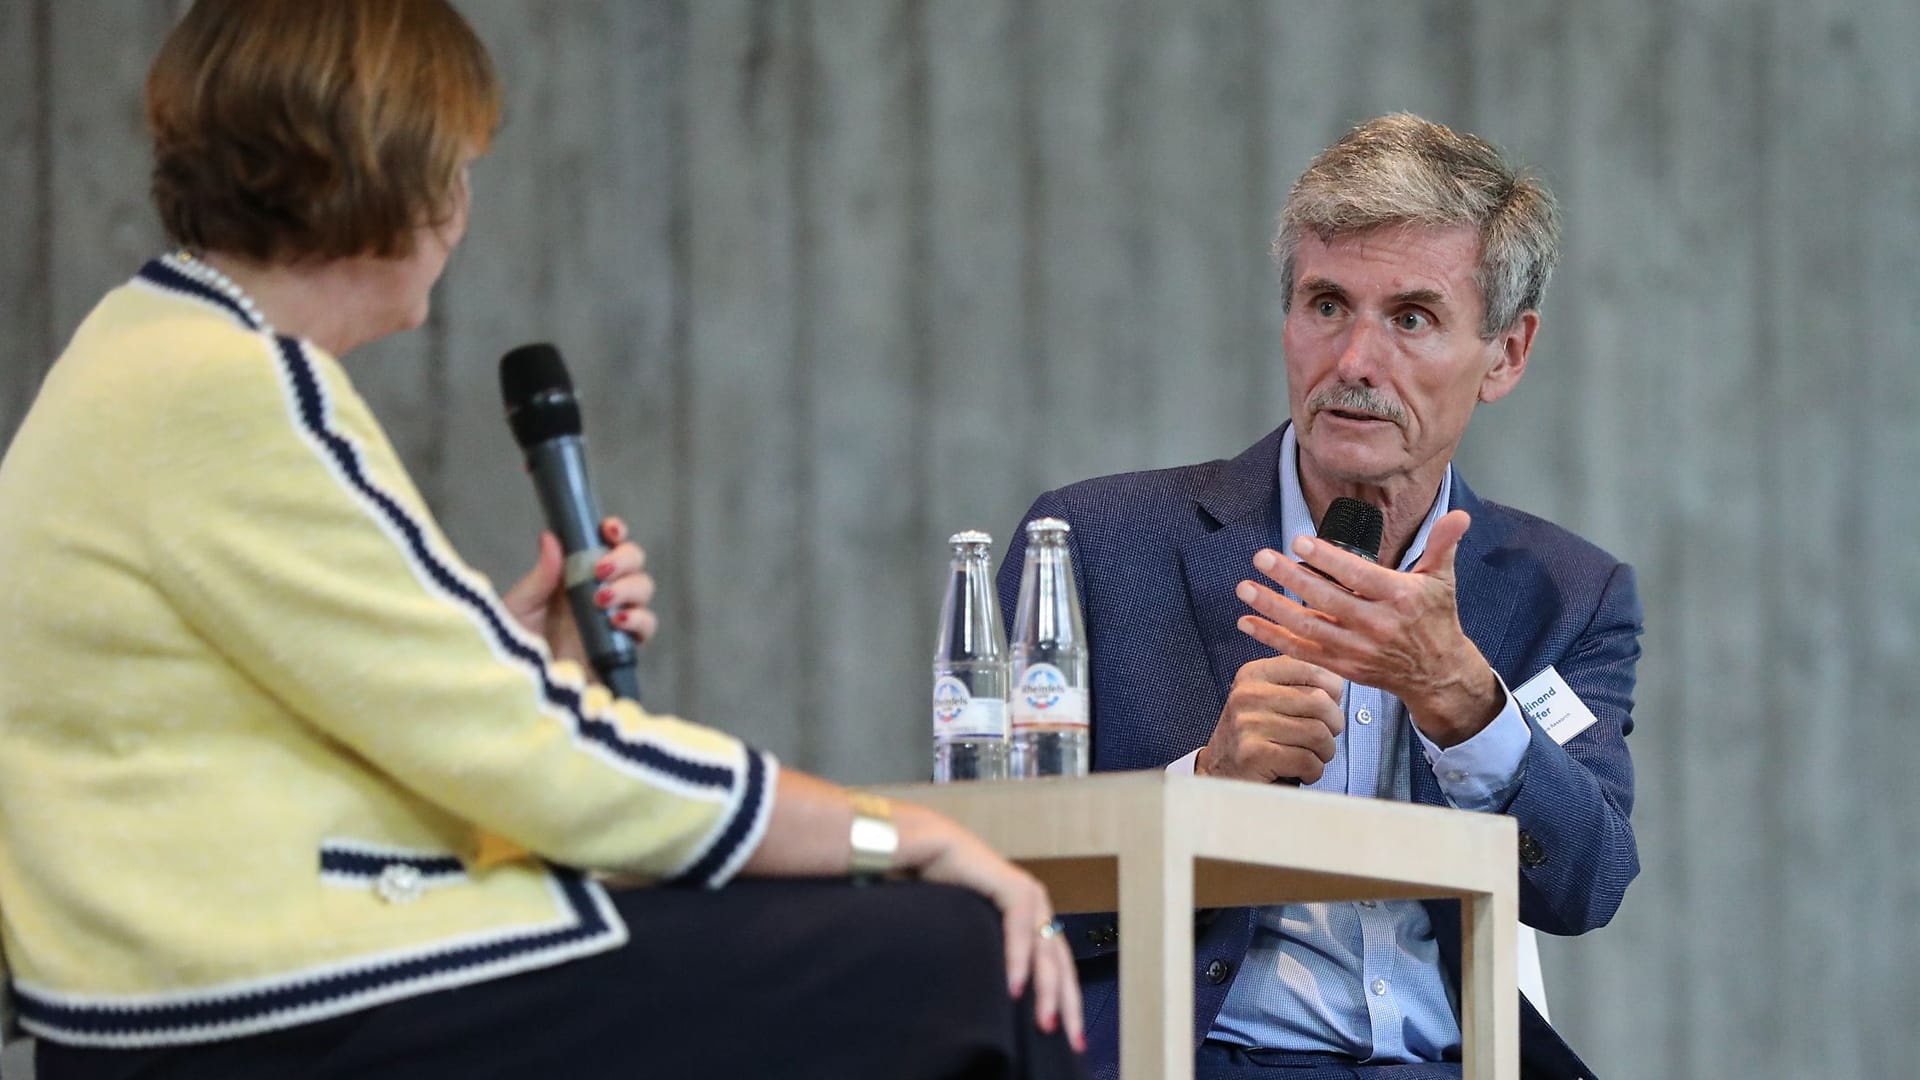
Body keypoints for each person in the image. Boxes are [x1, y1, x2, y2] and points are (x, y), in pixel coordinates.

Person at [0, 3, 1084, 1077]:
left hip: (170, 1001)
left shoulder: (143, 351)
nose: (464, 209)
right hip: (257, 1008)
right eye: (459, 168)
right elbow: (541, 761)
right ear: (384, 170)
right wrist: (892, 833)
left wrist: (509, 656)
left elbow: (327, 720)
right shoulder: (234, 390)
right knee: (955, 952)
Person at [999, 114, 1640, 1080]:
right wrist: (1204, 790)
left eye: (1412, 318)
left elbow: (1587, 885)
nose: (1353, 364)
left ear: (1506, 355)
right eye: (1327, 304)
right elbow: (990, 882)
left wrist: (1467, 705)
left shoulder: (1567, 592)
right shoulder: (1097, 543)